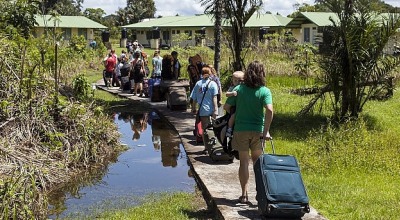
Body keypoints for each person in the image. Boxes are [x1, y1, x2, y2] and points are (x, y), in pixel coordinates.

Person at [223, 61, 273, 204]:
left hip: (241, 130)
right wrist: (266, 131)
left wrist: (238, 111)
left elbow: (226, 107)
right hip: (258, 131)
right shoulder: (265, 91)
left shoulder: (239, 88)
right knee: (257, 163)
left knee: (244, 162)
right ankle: (260, 195)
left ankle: (244, 195)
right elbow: (269, 110)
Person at [190, 66, 219, 143]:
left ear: (201, 74)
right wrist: (216, 110)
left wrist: (193, 108)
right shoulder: (213, 84)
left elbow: (194, 98)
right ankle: (214, 142)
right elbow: (214, 98)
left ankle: (206, 147)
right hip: (212, 109)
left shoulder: (198, 84)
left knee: (205, 129)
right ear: (210, 74)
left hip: (203, 110)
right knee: (213, 127)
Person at [225, 71, 245, 137]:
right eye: (235, 80)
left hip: (238, 106)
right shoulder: (232, 88)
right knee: (233, 116)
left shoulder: (243, 87)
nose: (237, 82)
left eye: (239, 81)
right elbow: (226, 94)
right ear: (232, 80)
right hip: (233, 106)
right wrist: (232, 93)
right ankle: (229, 129)